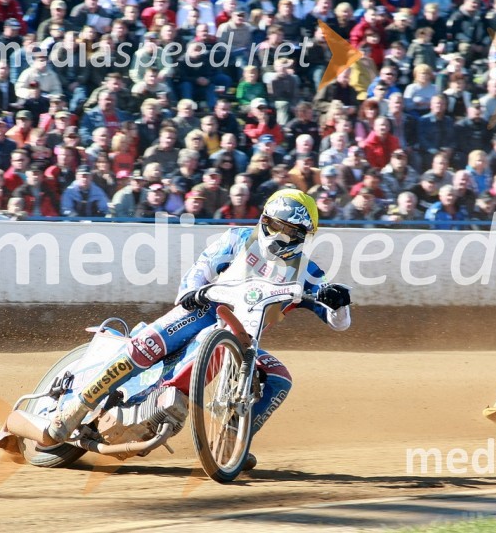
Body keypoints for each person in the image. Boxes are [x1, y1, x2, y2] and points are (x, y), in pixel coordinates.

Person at [46, 189, 353, 470]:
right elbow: (201, 268)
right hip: (203, 310)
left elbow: (339, 323)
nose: (280, 237)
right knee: (148, 345)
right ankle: (76, 406)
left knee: (279, 379)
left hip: (243, 338)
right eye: (276, 225)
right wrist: (191, 293)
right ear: (264, 220)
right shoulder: (238, 239)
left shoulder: (309, 272)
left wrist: (339, 302)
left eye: (291, 231)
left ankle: (233, 441)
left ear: (304, 234)